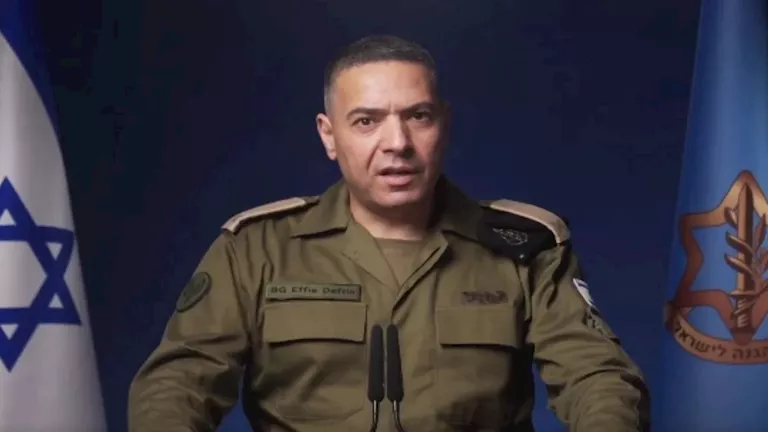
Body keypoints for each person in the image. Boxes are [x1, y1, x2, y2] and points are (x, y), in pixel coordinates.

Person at [128, 35, 650, 432]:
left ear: (444, 124)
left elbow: (596, 376)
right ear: (329, 135)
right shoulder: (255, 249)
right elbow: (178, 383)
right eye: (366, 121)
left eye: (417, 116)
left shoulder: (526, 247)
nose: (397, 142)